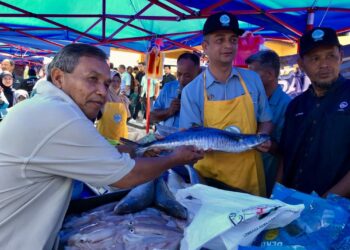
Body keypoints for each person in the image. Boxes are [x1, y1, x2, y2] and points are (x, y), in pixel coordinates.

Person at [0, 43, 204, 249]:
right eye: (92, 79)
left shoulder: (43, 105)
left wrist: (135, 150)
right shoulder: (58, 114)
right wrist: (174, 158)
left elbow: (94, 151)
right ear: (59, 77)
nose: (102, 92)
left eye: (106, 84)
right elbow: (126, 176)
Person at [179, 11, 273, 196]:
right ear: (205, 46)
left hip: (249, 176)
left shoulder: (252, 80)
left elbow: (266, 120)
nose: (228, 45)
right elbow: (187, 136)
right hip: (210, 180)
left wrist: (262, 136)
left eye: (233, 40)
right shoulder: (192, 91)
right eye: (220, 40)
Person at [279, 27, 350, 198]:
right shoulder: (295, 106)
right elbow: (284, 156)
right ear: (301, 64)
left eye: (330, 56)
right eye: (315, 58)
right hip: (294, 206)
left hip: (338, 212)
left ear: (340, 56)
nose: (324, 64)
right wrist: (277, 193)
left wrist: (325, 201)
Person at [246, 50, 291, 196]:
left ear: (270, 75)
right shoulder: (249, 100)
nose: (247, 79)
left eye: (252, 74)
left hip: (267, 184)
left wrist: (268, 144)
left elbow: (287, 152)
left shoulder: (288, 106)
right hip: (243, 180)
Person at [151, 52, 201, 127]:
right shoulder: (168, 87)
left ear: (198, 73)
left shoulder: (204, 93)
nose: (182, 80)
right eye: (179, 74)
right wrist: (169, 111)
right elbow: (152, 117)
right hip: (166, 136)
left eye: (187, 76)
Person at [96, 72, 130, 141]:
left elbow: (128, 117)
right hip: (105, 137)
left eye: (118, 81)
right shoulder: (103, 95)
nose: (116, 84)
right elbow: (97, 116)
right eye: (113, 81)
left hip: (120, 137)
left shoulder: (124, 99)